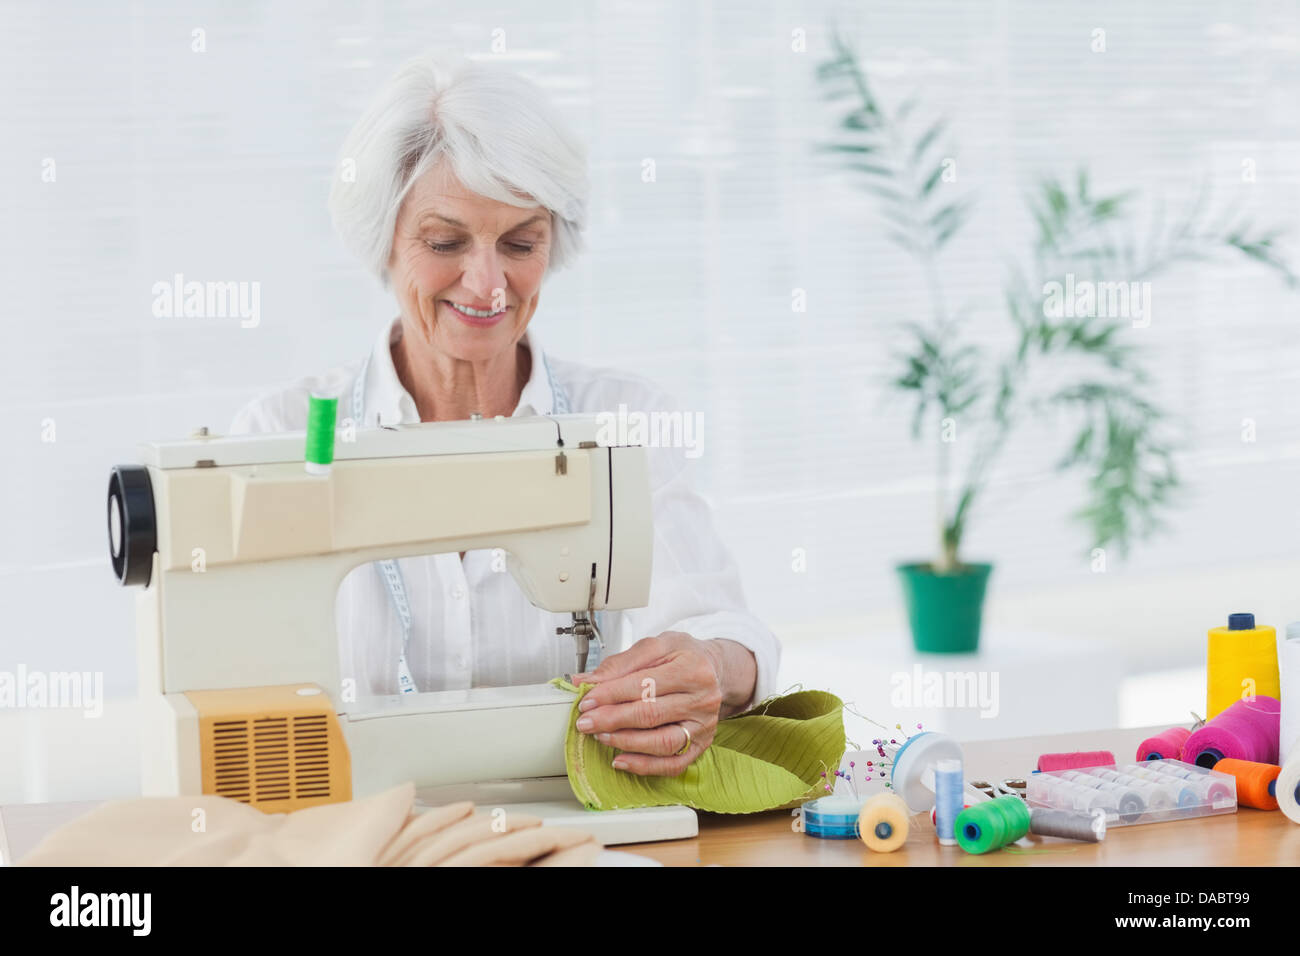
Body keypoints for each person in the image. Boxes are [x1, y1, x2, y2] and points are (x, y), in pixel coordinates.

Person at [229, 53, 779, 776]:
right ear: (382, 239)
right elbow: (232, 680)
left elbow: (726, 630)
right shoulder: (280, 435)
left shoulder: (623, 420)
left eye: (520, 243)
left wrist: (711, 666)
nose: (489, 284)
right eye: (446, 241)